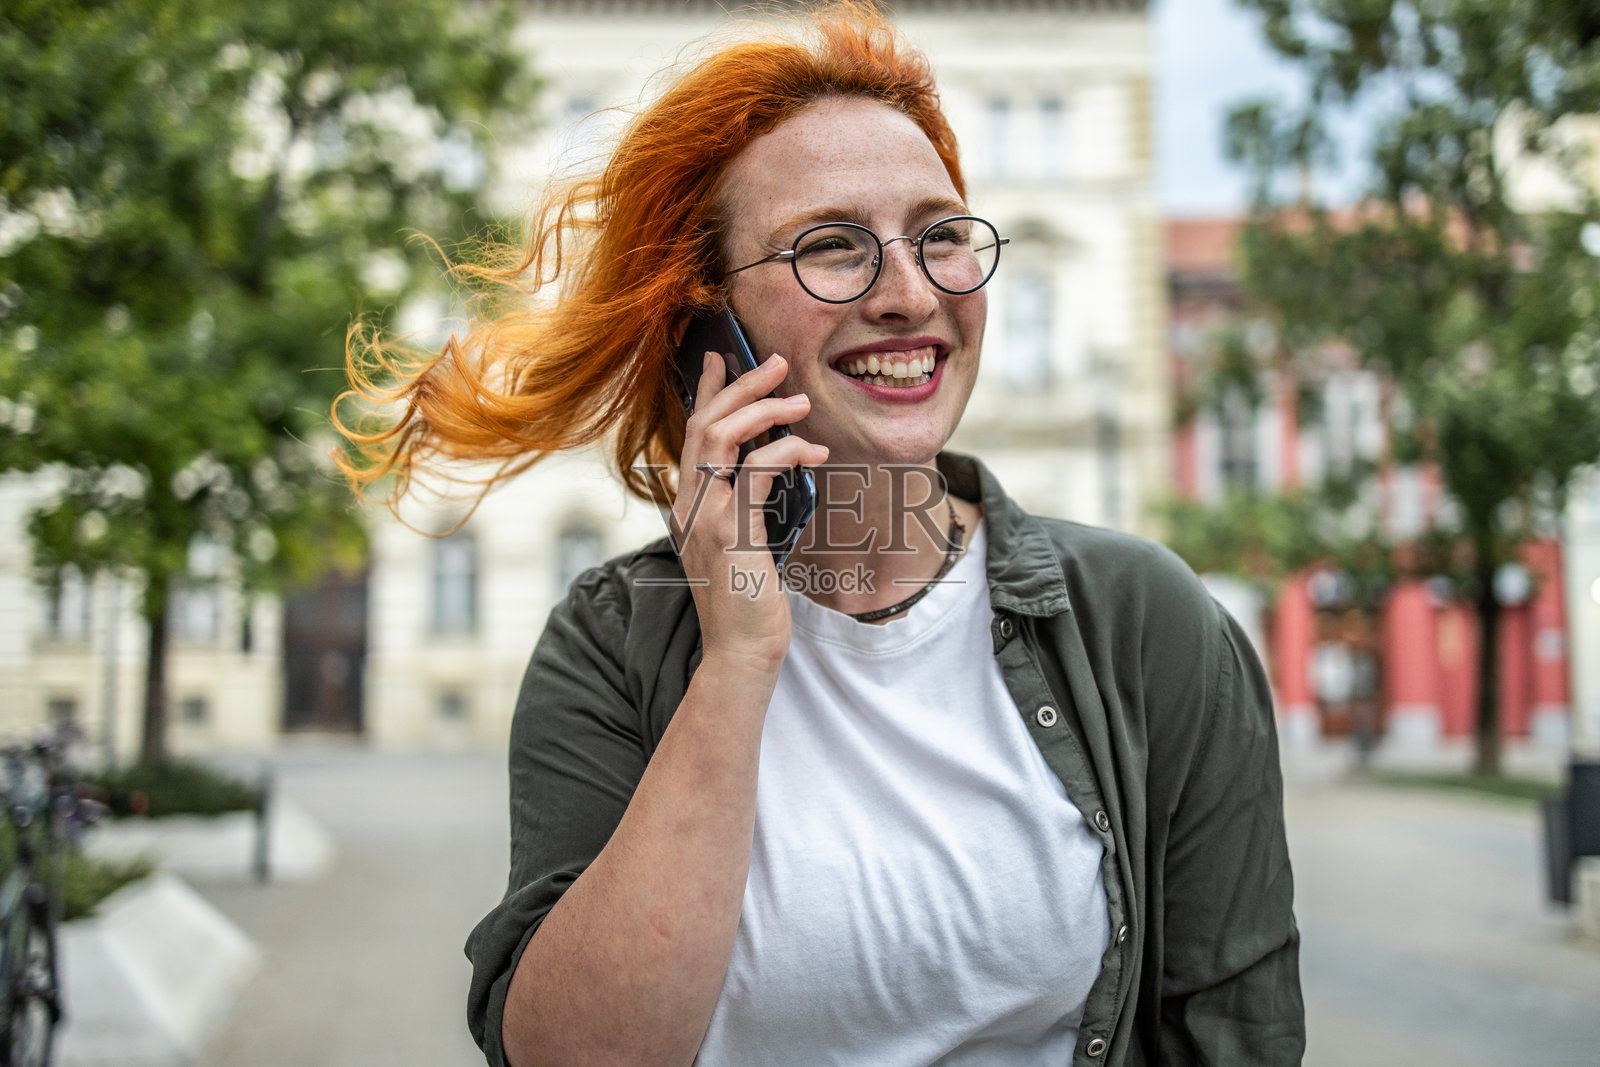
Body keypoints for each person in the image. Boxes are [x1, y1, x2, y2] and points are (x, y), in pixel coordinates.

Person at [339, 5, 1304, 1065]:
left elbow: (1232, 1036)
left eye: (940, 236)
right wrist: (739, 657)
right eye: (832, 247)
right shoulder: (612, 640)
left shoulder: (1142, 621)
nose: (909, 294)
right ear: (713, 321)